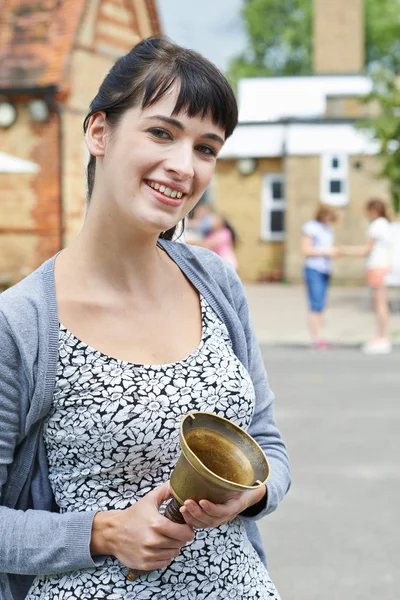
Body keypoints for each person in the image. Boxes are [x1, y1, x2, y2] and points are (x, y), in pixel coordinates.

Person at [0, 37, 290, 600]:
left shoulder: (217, 283)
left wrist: (250, 495)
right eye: (162, 133)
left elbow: (269, 448)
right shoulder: (22, 324)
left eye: (207, 147)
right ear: (99, 132)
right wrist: (104, 532)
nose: (183, 166)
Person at [342, 198, 393, 354]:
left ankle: (382, 337)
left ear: (373, 210)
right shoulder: (386, 224)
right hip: (382, 266)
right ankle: (381, 336)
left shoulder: (377, 225)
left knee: (379, 304)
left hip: (376, 267)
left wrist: (345, 250)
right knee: (380, 303)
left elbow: (367, 249)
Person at [301, 204, 341, 349]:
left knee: (321, 304)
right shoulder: (311, 227)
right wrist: (326, 252)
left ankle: (321, 336)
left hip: (325, 269)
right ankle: (316, 338)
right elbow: (305, 249)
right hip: (314, 268)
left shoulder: (328, 229)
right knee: (315, 304)